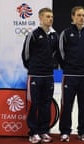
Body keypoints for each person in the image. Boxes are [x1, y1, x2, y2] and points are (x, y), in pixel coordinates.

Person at [21, 7, 59, 144]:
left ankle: (43, 131)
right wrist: (32, 68)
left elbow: (56, 54)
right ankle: (33, 133)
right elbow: (25, 55)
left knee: (46, 104)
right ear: (41, 18)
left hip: (49, 76)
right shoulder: (33, 34)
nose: (50, 19)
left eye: (51, 17)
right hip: (35, 76)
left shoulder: (55, 36)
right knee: (33, 104)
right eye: (48, 16)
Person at [58, 6, 84, 142]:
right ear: (72, 17)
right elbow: (61, 53)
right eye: (79, 15)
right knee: (67, 104)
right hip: (70, 75)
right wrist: (68, 66)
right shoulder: (66, 33)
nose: (81, 18)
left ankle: (83, 131)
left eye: (83, 15)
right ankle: (65, 131)